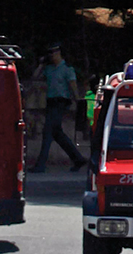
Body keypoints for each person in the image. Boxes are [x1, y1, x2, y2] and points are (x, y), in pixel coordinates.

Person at [30, 42, 87, 173]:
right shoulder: (48, 69)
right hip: (51, 102)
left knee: (47, 132)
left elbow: (73, 85)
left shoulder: (67, 69)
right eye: (49, 53)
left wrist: (77, 99)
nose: (50, 56)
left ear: (58, 53)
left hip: (60, 102)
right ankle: (78, 158)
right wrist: (41, 64)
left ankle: (40, 165)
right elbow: (35, 77)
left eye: (52, 53)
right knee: (57, 134)